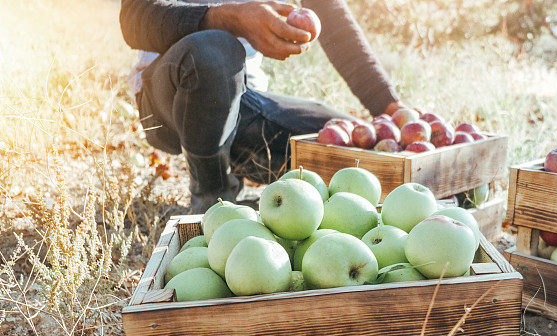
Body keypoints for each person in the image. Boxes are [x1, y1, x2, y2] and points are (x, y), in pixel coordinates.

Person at [119, 0, 405, 212]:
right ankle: (214, 204)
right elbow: (136, 18)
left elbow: (335, 24)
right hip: (170, 92)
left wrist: (391, 109)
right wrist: (230, 19)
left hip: (247, 101)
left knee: (361, 152)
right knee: (214, 51)